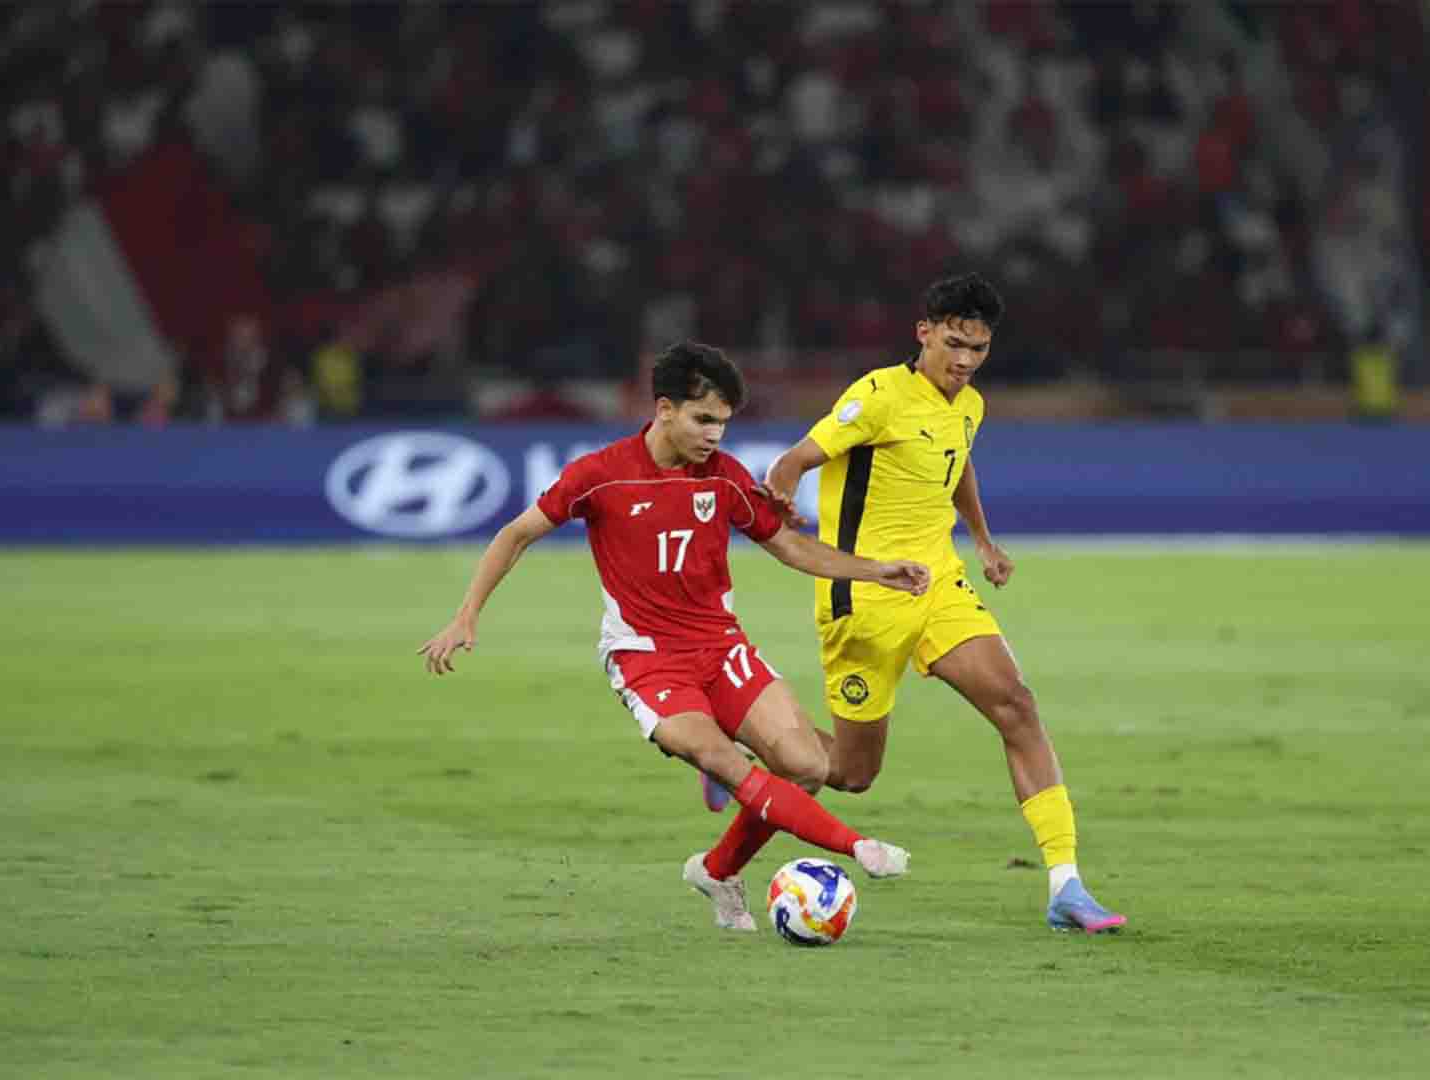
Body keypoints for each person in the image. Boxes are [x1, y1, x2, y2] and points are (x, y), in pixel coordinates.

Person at [419, 341, 930, 931]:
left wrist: (876, 570)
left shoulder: (725, 478)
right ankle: (858, 846)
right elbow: (516, 534)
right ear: (665, 409)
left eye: (723, 423)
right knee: (724, 761)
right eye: (703, 419)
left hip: (721, 646)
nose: (715, 435)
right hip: (647, 658)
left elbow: (790, 547)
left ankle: (716, 871)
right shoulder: (601, 475)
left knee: (807, 765)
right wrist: (467, 613)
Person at [751, 273, 1127, 934]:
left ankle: (1065, 884)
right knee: (851, 773)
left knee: (1017, 705)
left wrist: (981, 540)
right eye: (954, 344)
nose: (965, 360)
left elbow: (958, 464)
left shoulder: (969, 404)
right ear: (923, 332)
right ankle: (751, 740)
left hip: (939, 585)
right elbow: (794, 460)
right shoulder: (876, 397)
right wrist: (780, 496)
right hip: (865, 597)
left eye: (978, 348)